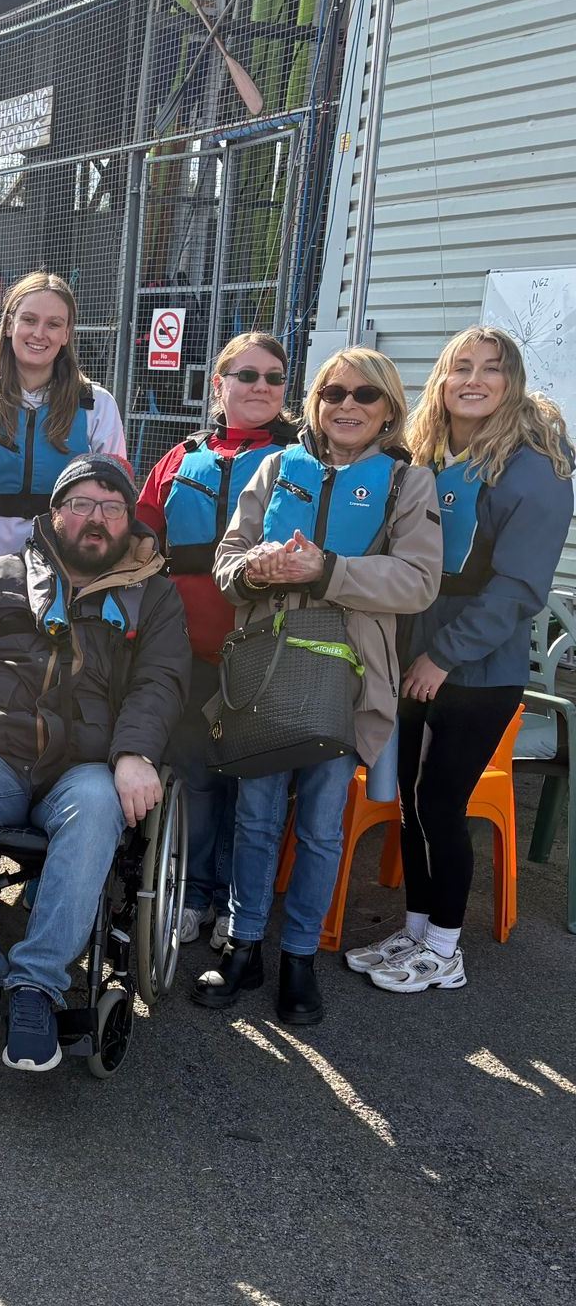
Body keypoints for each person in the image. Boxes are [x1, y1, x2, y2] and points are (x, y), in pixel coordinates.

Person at [0, 455, 189, 1069]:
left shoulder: (154, 597)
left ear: (128, 521)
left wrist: (135, 753)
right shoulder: (2, 576)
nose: (96, 519)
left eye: (111, 508)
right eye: (81, 505)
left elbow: (160, 682)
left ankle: (36, 983)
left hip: (86, 765)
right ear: (55, 515)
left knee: (101, 803)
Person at [199, 348, 442, 1025]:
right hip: (265, 666)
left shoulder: (406, 481)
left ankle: (299, 955)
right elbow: (228, 559)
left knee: (320, 825)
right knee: (254, 816)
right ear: (315, 401)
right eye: (334, 391)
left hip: (345, 676)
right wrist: (258, 569)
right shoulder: (278, 467)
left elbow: (418, 581)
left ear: (388, 408)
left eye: (365, 395)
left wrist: (325, 569)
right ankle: (245, 946)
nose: (348, 405)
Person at [347, 326, 575, 993]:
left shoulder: (536, 468)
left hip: (476, 673)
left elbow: (518, 589)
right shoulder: (434, 454)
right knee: (414, 807)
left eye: (492, 368)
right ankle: (417, 930)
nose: (474, 379)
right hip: (417, 660)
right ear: (442, 382)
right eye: (461, 368)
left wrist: (442, 656)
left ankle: (446, 950)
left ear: (513, 382)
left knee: (443, 804)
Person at [136, 332, 297, 950]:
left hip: (265, 655)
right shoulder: (179, 456)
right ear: (218, 385)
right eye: (247, 375)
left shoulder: (303, 460)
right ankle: (195, 894)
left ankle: (238, 902)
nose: (260, 388)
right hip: (186, 652)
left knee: (251, 789)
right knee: (197, 778)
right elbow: (140, 540)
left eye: (274, 379)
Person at [0, 271, 127, 588]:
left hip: (69, 584)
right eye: (29, 320)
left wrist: (71, 581)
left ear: (66, 333)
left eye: (53, 324)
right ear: (10, 324)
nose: (39, 333)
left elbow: (111, 504)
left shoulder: (97, 406)